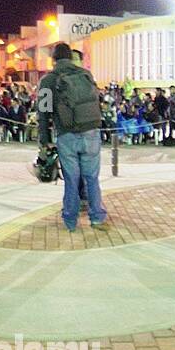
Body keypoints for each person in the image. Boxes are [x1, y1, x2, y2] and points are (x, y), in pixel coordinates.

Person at [32, 41, 111, 232]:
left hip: (67, 134)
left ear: (53, 59)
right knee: (92, 177)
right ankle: (97, 217)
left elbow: (43, 113)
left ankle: (70, 220)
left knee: (71, 178)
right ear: (70, 56)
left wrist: (44, 140)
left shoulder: (48, 80)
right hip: (91, 131)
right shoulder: (85, 74)